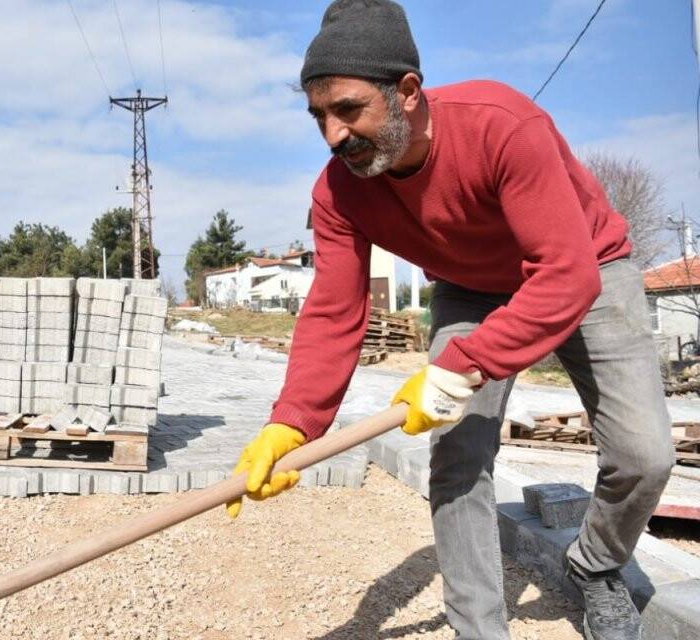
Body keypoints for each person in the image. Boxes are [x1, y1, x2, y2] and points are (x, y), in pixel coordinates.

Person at [225, 2, 674, 639]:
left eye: (348, 110)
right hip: (470, 290)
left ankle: (597, 565)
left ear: (408, 92)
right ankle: (479, 629)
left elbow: (565, 273)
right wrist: (292, 423)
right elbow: (334, 312)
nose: (332, 135)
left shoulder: (502, 125)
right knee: (459, 456)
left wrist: (461, 365)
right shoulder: (339, 192)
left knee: (646, 455)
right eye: (319, 115)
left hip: (588, 266)